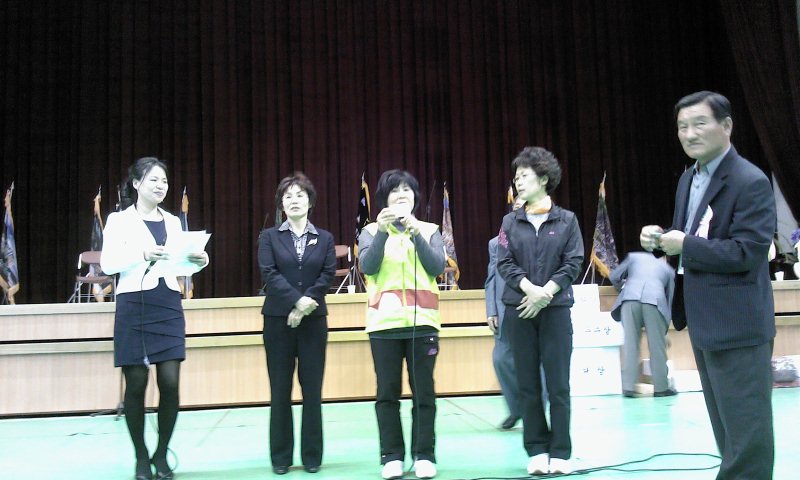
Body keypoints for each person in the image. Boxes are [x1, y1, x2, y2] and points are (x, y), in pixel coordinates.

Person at [640, 91, 776, 480]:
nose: (689, 133)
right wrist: (660, 238)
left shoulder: (749, 181)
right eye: (682, 126)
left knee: (746, 428)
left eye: (700, 123)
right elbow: (693, 234)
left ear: (726, 125)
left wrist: (684, 244)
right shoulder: (690, 178)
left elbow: (747, 252)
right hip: (705, 321)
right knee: (726, 426)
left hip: (738, 324)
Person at [101, 157, 209, 480]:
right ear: (136, 184)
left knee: (170, 382)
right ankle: (141, 456)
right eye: (153, 180)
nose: (161, 186)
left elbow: (177, 265)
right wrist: (142, 254)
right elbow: (108, 264)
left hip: (167, 303)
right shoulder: (118, 220)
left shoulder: (173, 222)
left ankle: (162, 454)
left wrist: (198, 261)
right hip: (133, 304)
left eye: (164, 180)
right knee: (136, 383)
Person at [496, 146, 584, 476]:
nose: (518, 181)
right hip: (519, 309)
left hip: (555, 308)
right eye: (516, 177)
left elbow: (573, 261)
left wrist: (546, 292)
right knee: (528, 383)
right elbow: (504, 262)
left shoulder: (567, 220)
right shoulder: (509, 222)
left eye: (524, 176)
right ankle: (536, 450)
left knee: (559, 384)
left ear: (544, 178)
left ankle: (560, 451)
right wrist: (530, 290)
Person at [358, 169, 446, 480]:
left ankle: (424, 455)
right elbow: (368, 266)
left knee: (424, 393)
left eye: (406, 190)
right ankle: (391, 456)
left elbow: (436, 267)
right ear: (384, 198)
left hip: (423, 323)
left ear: (415, 197)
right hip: (384, 325)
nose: (400, 195)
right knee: (387, 393)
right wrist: (383, 232)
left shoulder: (430, 229)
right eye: (394, 190)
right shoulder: (370, 231)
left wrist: (415, 232)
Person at [258, 173, 336, 475]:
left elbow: (327, 274)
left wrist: (305, 305)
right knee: (280, 390)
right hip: (278, 322)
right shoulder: (269, 237)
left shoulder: (325, 238)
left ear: (310, 201)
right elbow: (269, 272)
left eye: (299, 195)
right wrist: (296, 301)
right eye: (287, 196)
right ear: (281, 204)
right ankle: (281, 457)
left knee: (312, 390)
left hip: (313, 322)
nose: (294, 200)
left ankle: (312, 455)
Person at [609, 251, 676, 397]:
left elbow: (614, 276)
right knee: (657, 346)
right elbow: (669, 299)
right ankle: (661, 388)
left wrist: (624, 288)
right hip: (655, 301)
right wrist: (664, 330)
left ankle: (628, 387)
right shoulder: (669, 270)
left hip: (630, 298)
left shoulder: (634, 256)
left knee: (631, 344)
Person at [485, 235, 522, 429]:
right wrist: (491, 309)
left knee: (536, 361)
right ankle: (516, 409)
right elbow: (491, 278)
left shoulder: (538, 238)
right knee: (500, 359)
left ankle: (535, 410)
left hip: (531, 306)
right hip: (504, 309)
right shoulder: (496, 243)